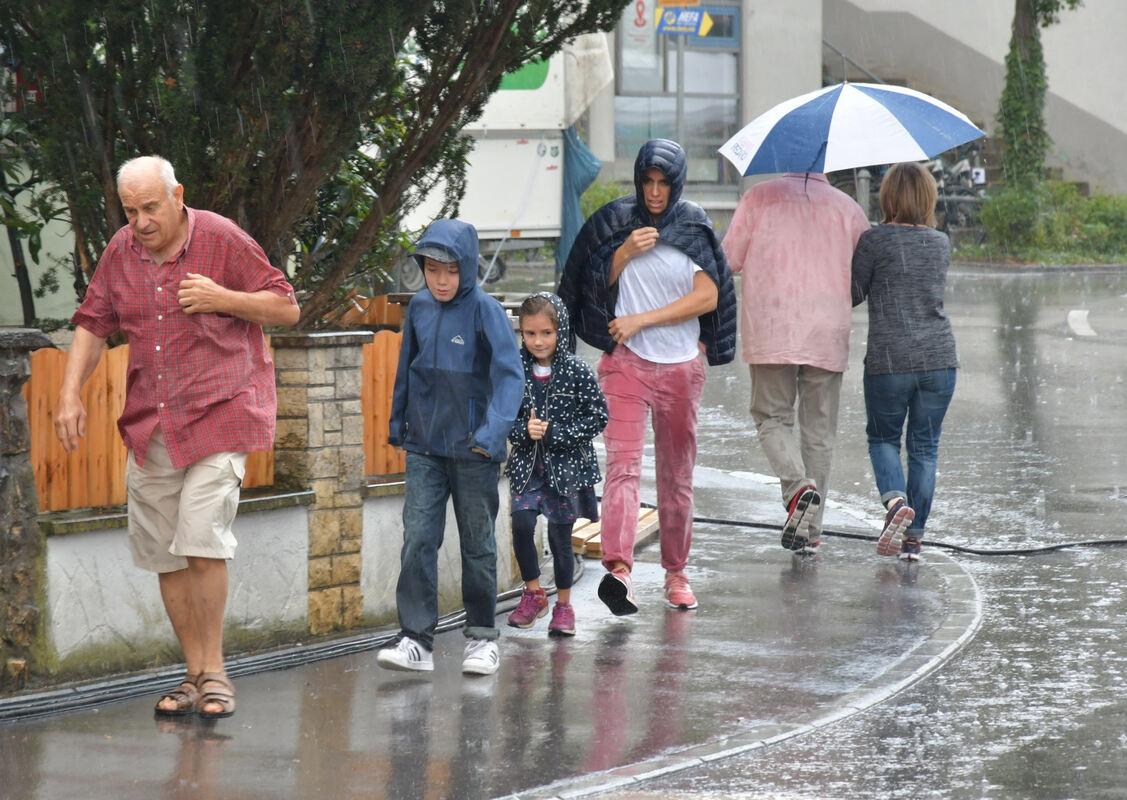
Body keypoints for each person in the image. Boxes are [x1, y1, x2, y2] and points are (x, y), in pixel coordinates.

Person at [54, 155, 300, 719]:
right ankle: (194, 672)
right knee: (166, 554)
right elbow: (93, 322)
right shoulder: (121, 250)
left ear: (177, 195)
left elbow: (286, 307)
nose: (140, 221)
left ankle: (215, 673)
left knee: (200, 538)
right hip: (153, 420)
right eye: (130, 210)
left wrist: (224, 299)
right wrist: (69, 394)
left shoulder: (221, 237)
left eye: (150, 207)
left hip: (222, 408)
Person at [558, 138, 737, 615]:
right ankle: (619, 572)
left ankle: (676, 573)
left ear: (676, 185)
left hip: (680, 369)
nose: (654, 193)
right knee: (621, 470)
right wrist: (621, 255)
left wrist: (643, 320)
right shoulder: (615, 222)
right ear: (638, 181)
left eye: (664, 183)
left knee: (676, 478)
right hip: (626, 367)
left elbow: (708, 296)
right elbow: (584, 283)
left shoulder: (694, 225)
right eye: (647, 182)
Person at [377, 218, 523, 675]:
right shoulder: (418, 307)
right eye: (432, 270)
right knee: (418, 539)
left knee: (477, 545)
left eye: (450, 270)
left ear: (467, 268)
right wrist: (400, 426)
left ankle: (481, 638)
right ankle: (415, 640)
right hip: (425, 448)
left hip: (475, 452)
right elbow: (407, 371)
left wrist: (490, 437)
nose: (441, 280)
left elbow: (510, 377)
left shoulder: (487, 311)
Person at [722, 171, 870, 554]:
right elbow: (865, 272)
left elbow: (729, 260)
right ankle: (811, 532)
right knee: (819, 432)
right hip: (826, 330)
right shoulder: (849, 209)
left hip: (772, 326)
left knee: (771, 417)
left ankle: (796, 487)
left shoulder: (758, 198)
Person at [851, 162, 957, 561]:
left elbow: (854, 292)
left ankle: (896, 503)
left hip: (890, 360)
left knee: (882, 438)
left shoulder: (875, 240)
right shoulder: (940, 242)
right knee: (925, 448)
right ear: (928, 198)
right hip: (939, 359)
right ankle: (914, 539)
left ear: (888, 197)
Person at [505, 292, 608, 636]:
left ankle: (564, 606)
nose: (538, 341)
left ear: (560, 331)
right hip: (526, 468)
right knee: (520, 525)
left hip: (565, 473)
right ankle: (533, 593)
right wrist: (523, 429)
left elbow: (598, 417)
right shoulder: (514, 369)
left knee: (560, 539)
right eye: (530, 334)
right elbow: (503, 416)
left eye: (546, 333)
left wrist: (556, 433)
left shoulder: (577, 370)